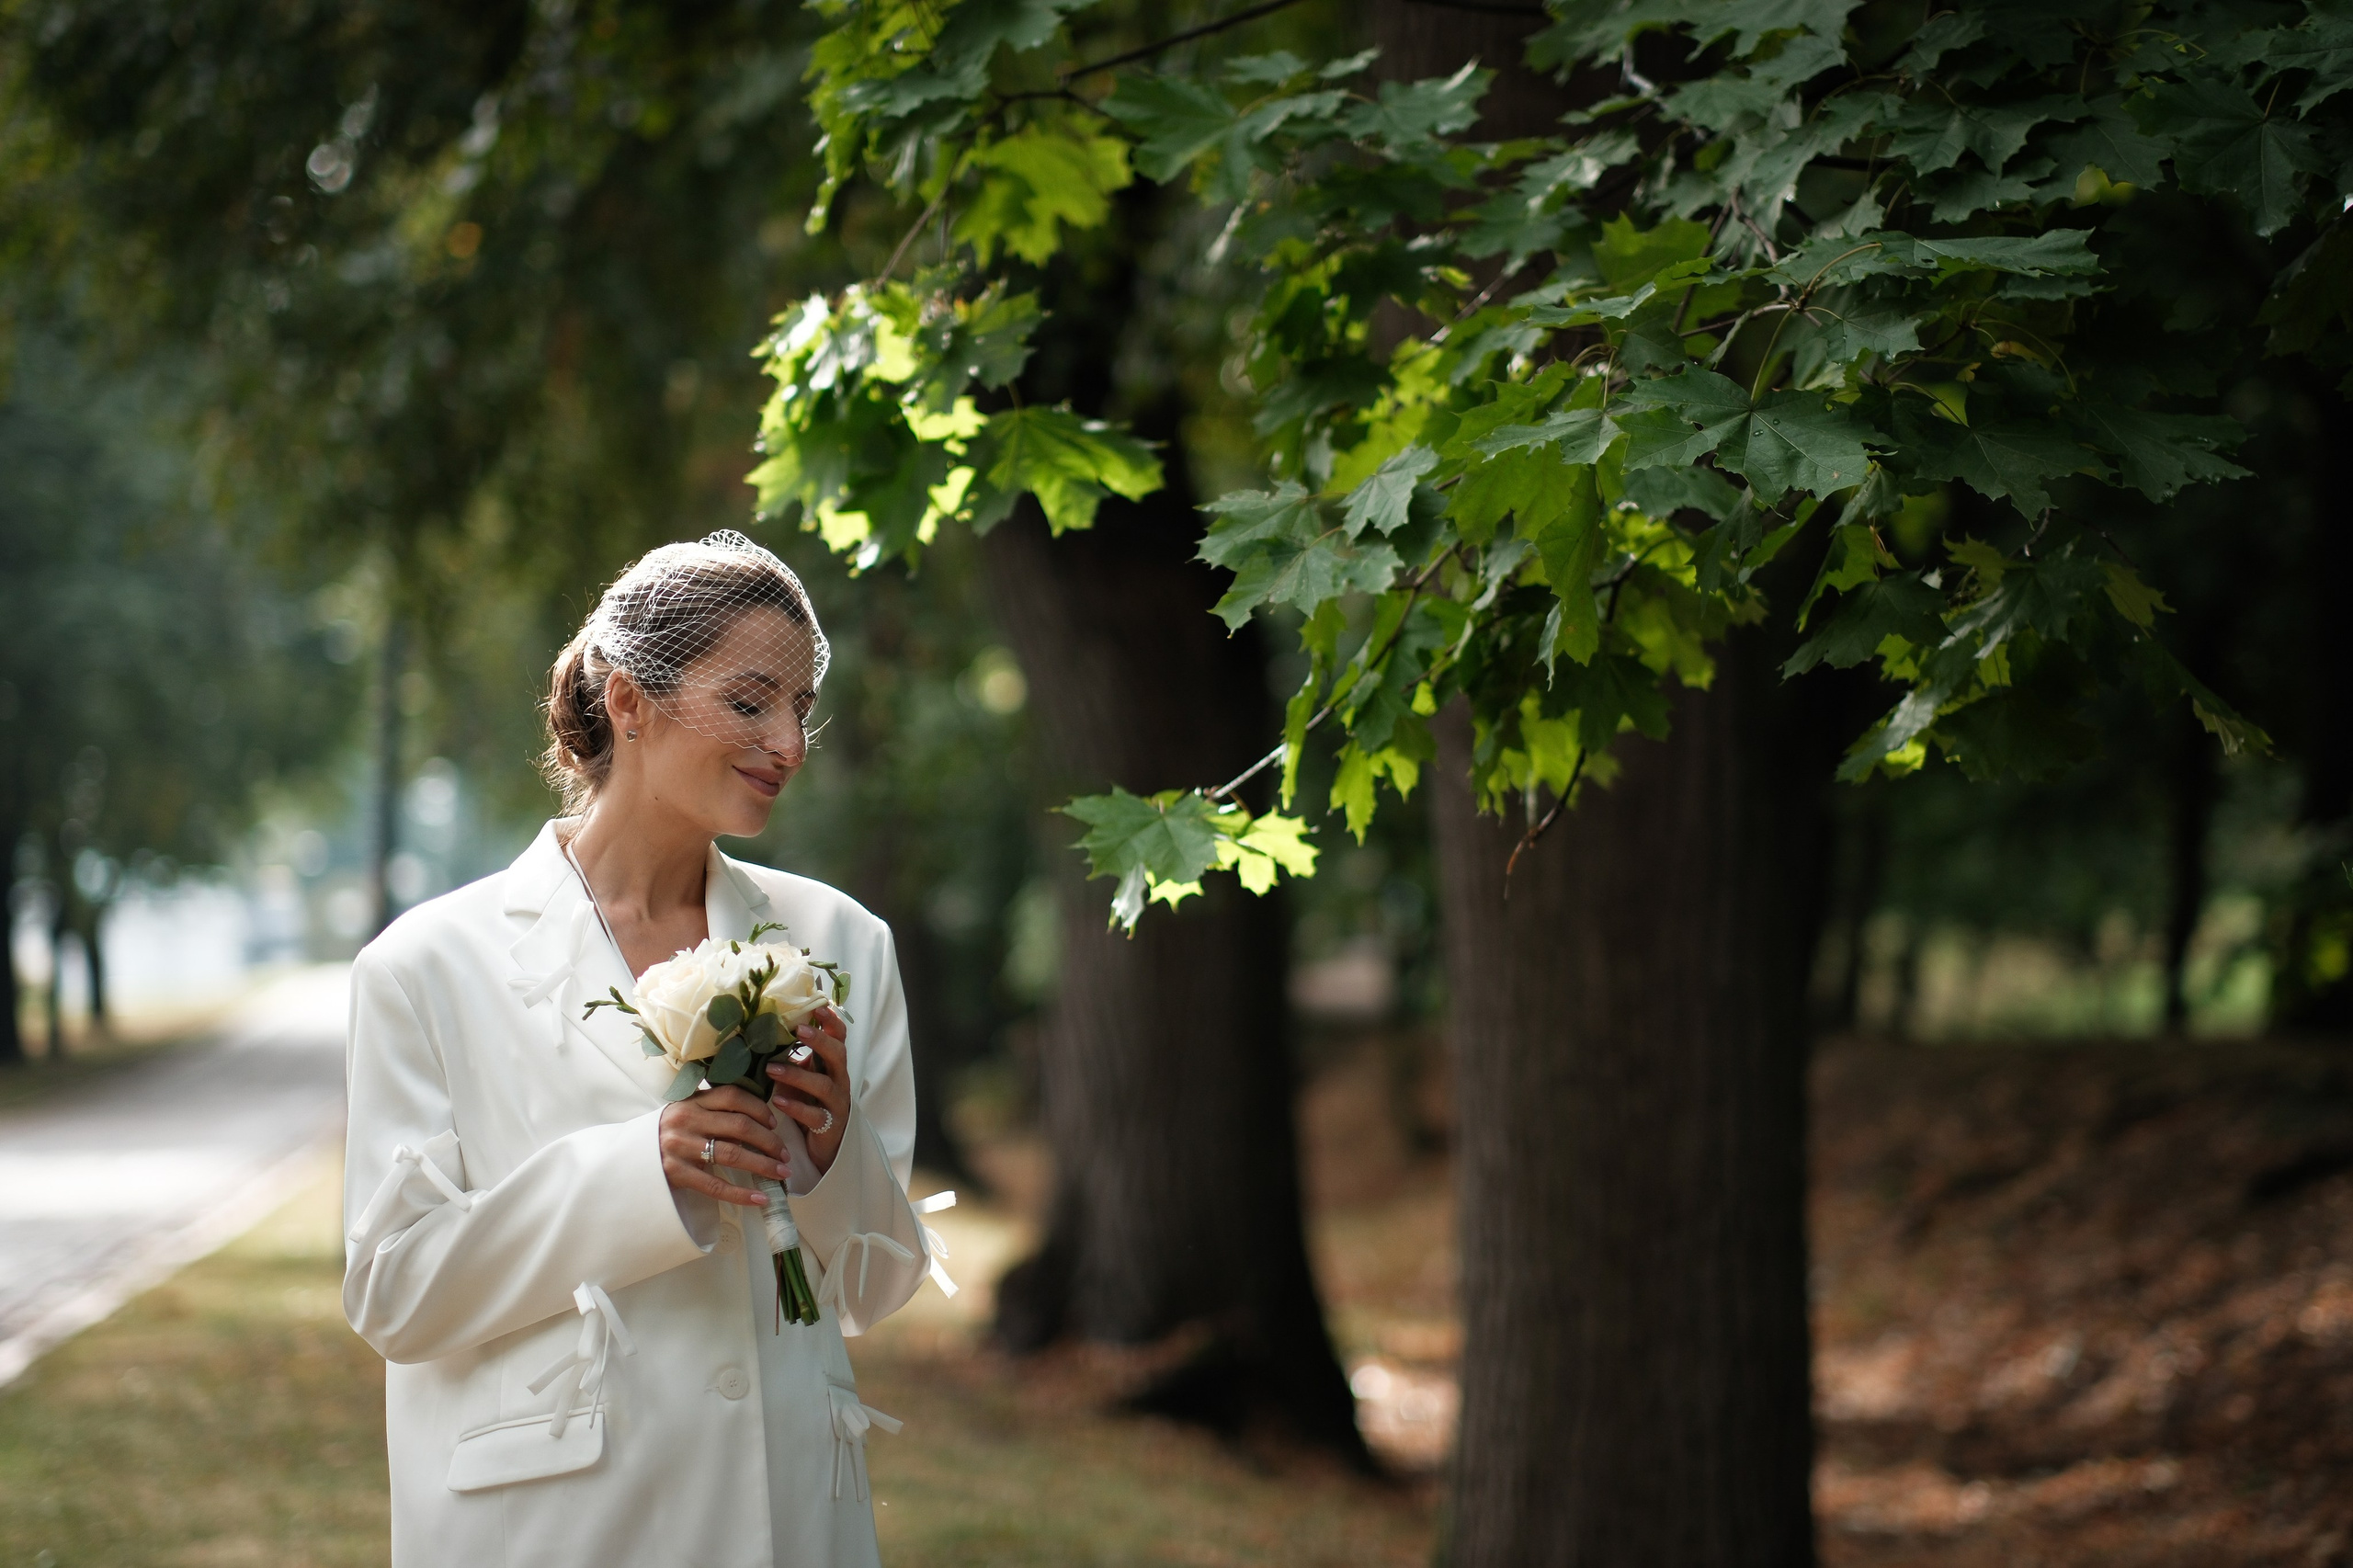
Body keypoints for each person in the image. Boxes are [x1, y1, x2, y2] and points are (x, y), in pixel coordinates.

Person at [341, 530, 941, 1567]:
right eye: (751, 702)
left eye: (801, 707)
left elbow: (873, 1290)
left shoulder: (843, 946)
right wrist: (641, 1168)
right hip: (556, 1527)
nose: (789, 743)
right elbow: (394, 1287)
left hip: (791, 1518)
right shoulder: (426, 966)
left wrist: (835, 1157)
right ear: (629, 702)